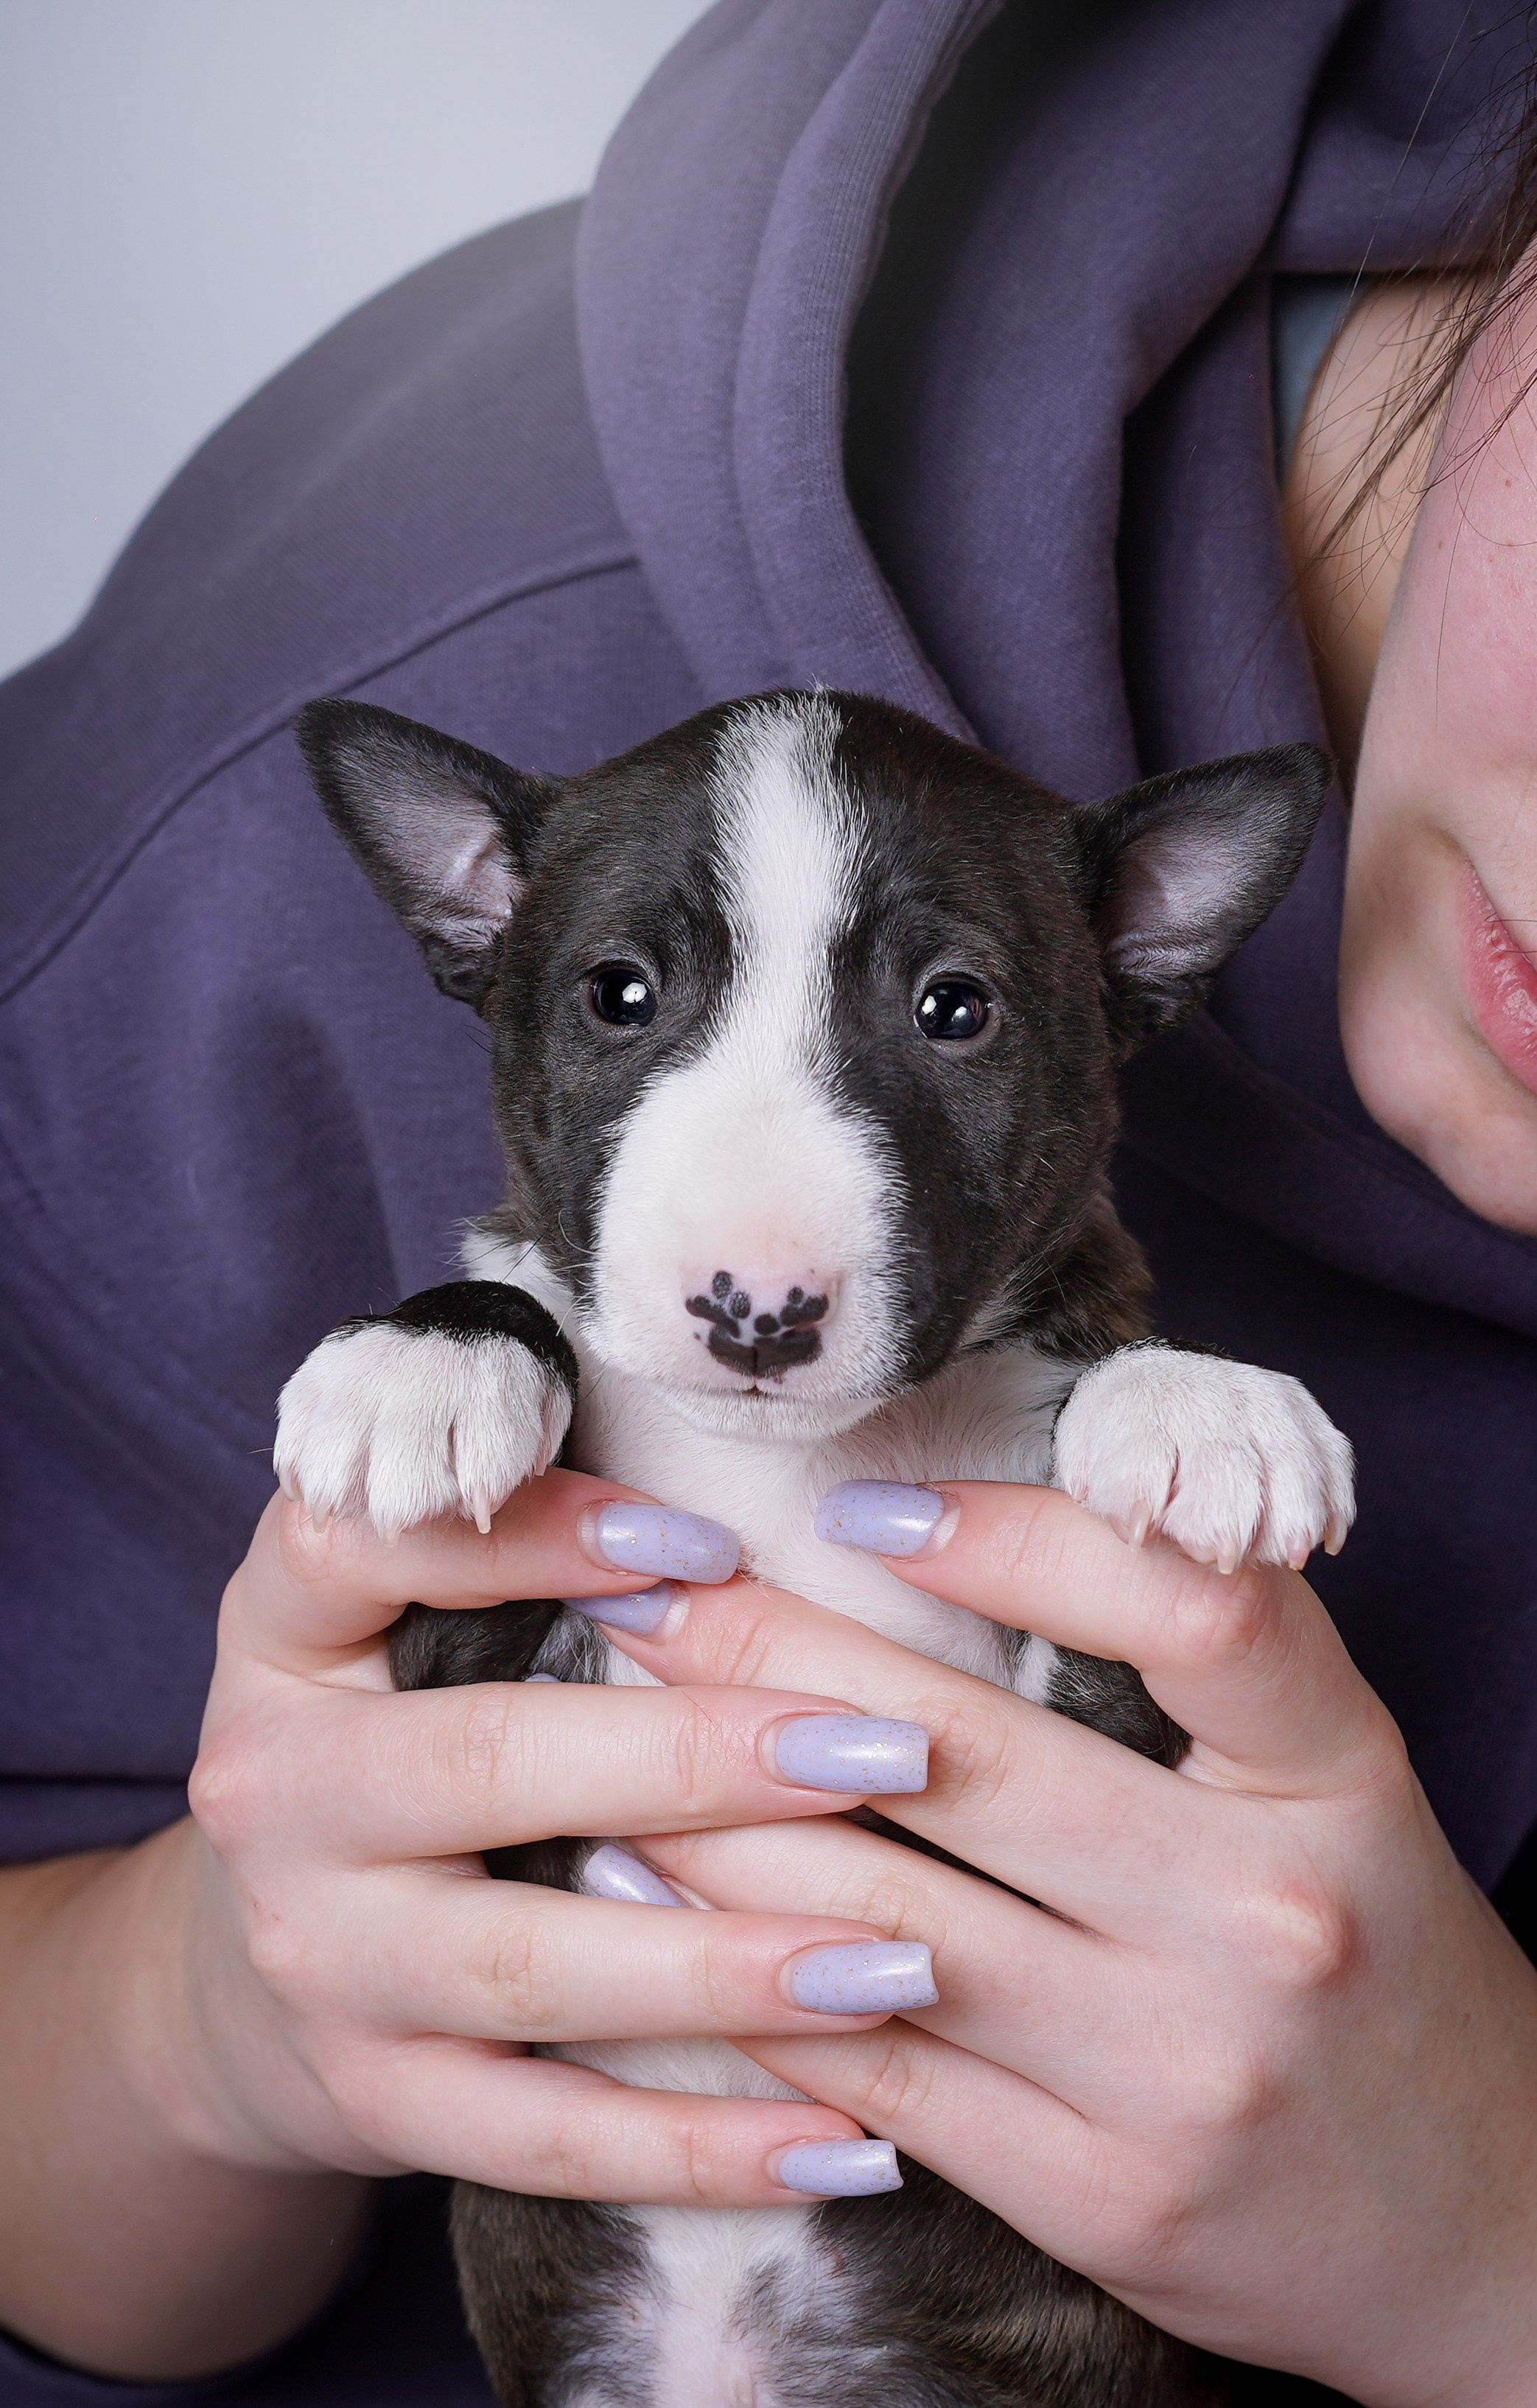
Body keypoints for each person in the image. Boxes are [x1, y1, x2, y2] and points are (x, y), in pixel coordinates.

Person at [2, 1, 1536, 2399]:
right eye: (629, 996)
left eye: (944, 1017)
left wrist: (1500, 2250)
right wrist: (202, 2010)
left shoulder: (1082, 1318)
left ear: (1128, 959)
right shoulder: (299, 742)